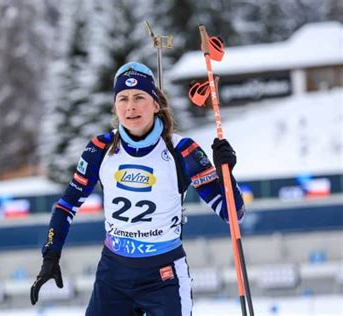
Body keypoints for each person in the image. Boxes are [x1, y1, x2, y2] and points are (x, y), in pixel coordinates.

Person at [30, 62, 245, 315]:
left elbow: (233, 213)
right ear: (115, 106)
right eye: (123, 98)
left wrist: (226, 173)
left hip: (163, 277)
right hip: (113, 274)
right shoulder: (100, 149)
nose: (130, 106)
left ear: (155, 104)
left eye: (139, 97)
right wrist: (50, 256)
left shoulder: (182, 151)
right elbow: (66, 206)